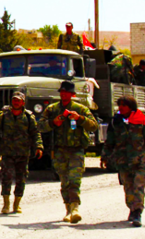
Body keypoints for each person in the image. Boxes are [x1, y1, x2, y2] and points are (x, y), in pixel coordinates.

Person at [38, 81, 99, 223]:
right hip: (59, 150)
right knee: (64, 181)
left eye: (67, 92)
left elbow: (94, 126)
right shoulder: (52, 109)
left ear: (72, 94)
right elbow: (40, 126)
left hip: (76, 150)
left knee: (75, 180)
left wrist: (80, 119)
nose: (63, 94)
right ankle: (68, 209)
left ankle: (75, 208)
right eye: (62, 92)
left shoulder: (80, 109)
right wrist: (53, 123)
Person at [101, 96, 145, 227]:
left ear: (131, 106)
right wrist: (105, 156)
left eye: (124, 105)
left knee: (138, 186)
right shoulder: (116, 122)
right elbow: (110, 141)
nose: (121, 107)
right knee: (128, 187)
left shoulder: (141, 120)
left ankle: (137, 212)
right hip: (123, 160)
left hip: (140, 160)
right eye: (119, 105)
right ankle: (132, 208)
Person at [0, 92, 43, 214]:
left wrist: (39, 146)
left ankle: (17, 204)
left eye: (18, 100)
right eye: (14, 100)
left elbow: (35, 132)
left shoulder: (28, 117)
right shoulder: (3, 116)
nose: (16, 102)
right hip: (7, 152)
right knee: (6, 177)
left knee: (21, 178)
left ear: (23, 102)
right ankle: (6, 204)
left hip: (23, 152)